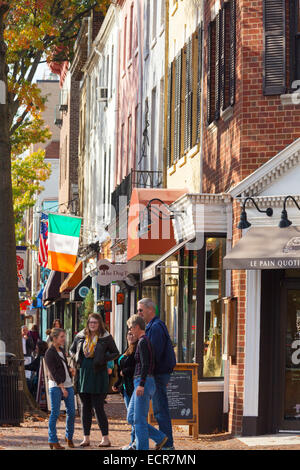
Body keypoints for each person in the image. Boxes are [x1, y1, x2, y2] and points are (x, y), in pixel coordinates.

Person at [70, 313, 119, 448]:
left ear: (100, 324)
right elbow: (71, 350)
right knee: (84, 407)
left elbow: (115, 353)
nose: (92, 325)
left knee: (98, 407)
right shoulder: (80, 336)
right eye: (90, 322)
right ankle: (86, 438)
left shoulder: (106, 337)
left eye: (95, 323)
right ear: (88, 323)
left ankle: (105, 439)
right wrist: (75, 358)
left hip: (98, 374)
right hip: (83, 373)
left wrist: (103, 358)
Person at [137, 298, 176, 450]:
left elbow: (154, 353)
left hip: (158, 374)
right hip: (158, 374)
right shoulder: (153, 326)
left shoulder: (155, 327)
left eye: (141, 310)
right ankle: (165, 442)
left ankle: (167, 444)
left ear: (150, 310)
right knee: (159, 409)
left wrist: (147, 375)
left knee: (160, 410)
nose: (139, 313)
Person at [126, 315, 168, 451]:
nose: (130, 331)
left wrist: (142, 383)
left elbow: (146, 364)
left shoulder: (143, 342)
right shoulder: (143, 342)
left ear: (137, 327)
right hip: (141, 381)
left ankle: (142, 448)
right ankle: (160, 437)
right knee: (131, 417)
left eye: (131, 328)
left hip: (143, 381)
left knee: (138, 421)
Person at [44, 328, 76, 450]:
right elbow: (53, 372)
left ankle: (69, 437)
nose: (64, 339)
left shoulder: (61, 350)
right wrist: (62, 388)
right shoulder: (49, 353)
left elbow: (63, 366)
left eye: (64, 336)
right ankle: (52, 439)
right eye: (62, 337)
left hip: (68, 384)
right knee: (55, 413)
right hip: (57, 387)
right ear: (55, 338)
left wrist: (70, 370)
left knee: (72, 412)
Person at [112, 331, 137, 450]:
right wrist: (117, 383)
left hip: (134, 387)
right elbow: (120, 371)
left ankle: (135, 442)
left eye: (132, 334)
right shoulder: (127, 349)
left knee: (133, 417)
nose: (130, 336)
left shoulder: (137, 350)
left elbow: (137, 367)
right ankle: (133, 442)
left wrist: (126, 371)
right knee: (131, 417)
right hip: (125, 388)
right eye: (128, 334)